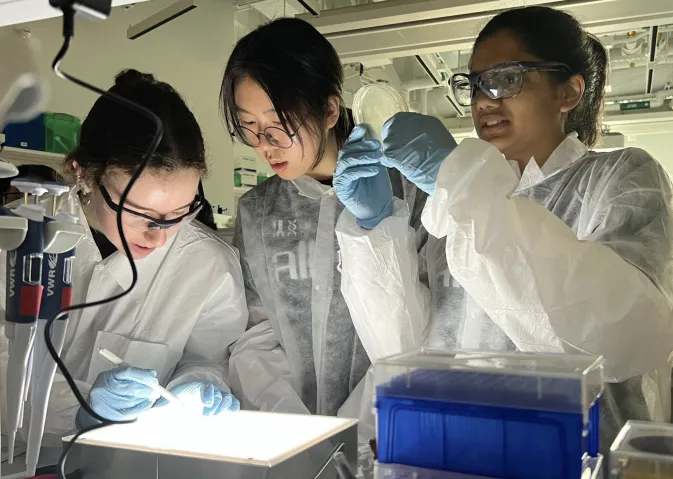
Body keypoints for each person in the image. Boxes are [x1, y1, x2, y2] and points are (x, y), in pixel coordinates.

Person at [339, 5, 673, 451]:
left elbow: (623, 335)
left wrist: (464, 186)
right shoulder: (458, 203)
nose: (483, 100)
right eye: (474, 85)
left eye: (506, 78)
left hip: (579, 460)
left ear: (568, 92)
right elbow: (405, 354)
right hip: (459, 455)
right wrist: (374, 232)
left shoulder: (621, 179)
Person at [0, 69, 247, 447]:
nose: (159, 235)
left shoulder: (208, 265)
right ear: (83, 173)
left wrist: (198, 386)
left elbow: (207, 360)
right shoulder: (15, 238)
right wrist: (77, 410)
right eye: (139, 213)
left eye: (181, 211)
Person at [220, 17, 428, 446]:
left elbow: (430, 328)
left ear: (330, 109)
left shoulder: (406, 190)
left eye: (278, 122)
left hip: (393, 424)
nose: (265, 143)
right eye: (249, 127)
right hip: (292, 441)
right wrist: (297, 430)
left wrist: (357, 427)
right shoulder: (258, 211)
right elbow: (256, 333)